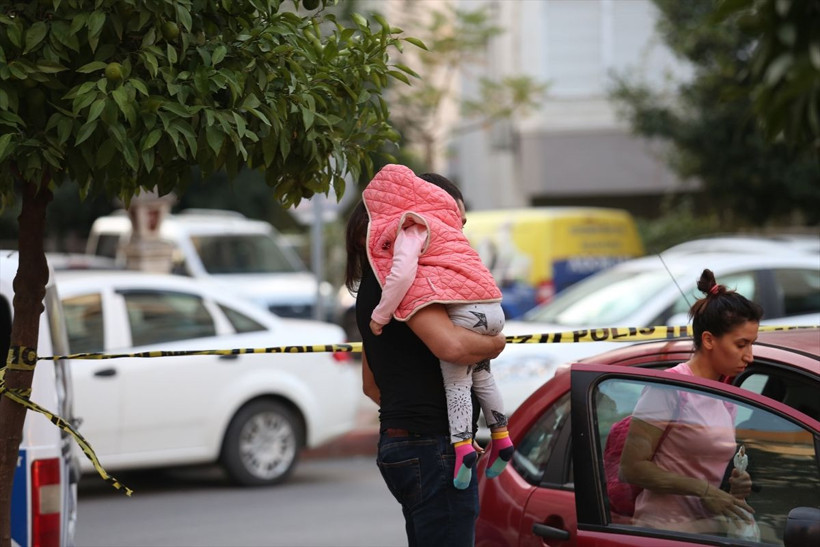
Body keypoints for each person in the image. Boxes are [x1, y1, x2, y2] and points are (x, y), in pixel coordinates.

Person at [344, 167, 506, 547]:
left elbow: (372, 384)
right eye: (452, 221)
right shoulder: (413, 281)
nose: (457, 235)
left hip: (406, 444)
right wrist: (497, 344)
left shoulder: (376, 285)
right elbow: (451, 347)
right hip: (429, 448)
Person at [619, 268, 762, 535]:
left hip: (704, 531)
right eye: (741, 345)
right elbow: (631, 468)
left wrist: (733, 486)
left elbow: (700, 467)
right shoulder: (671, 387)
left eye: (752, 344)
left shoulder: (723, 393)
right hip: (662, 532)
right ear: (708, 340)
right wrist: (704, 490)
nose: (749, 356)